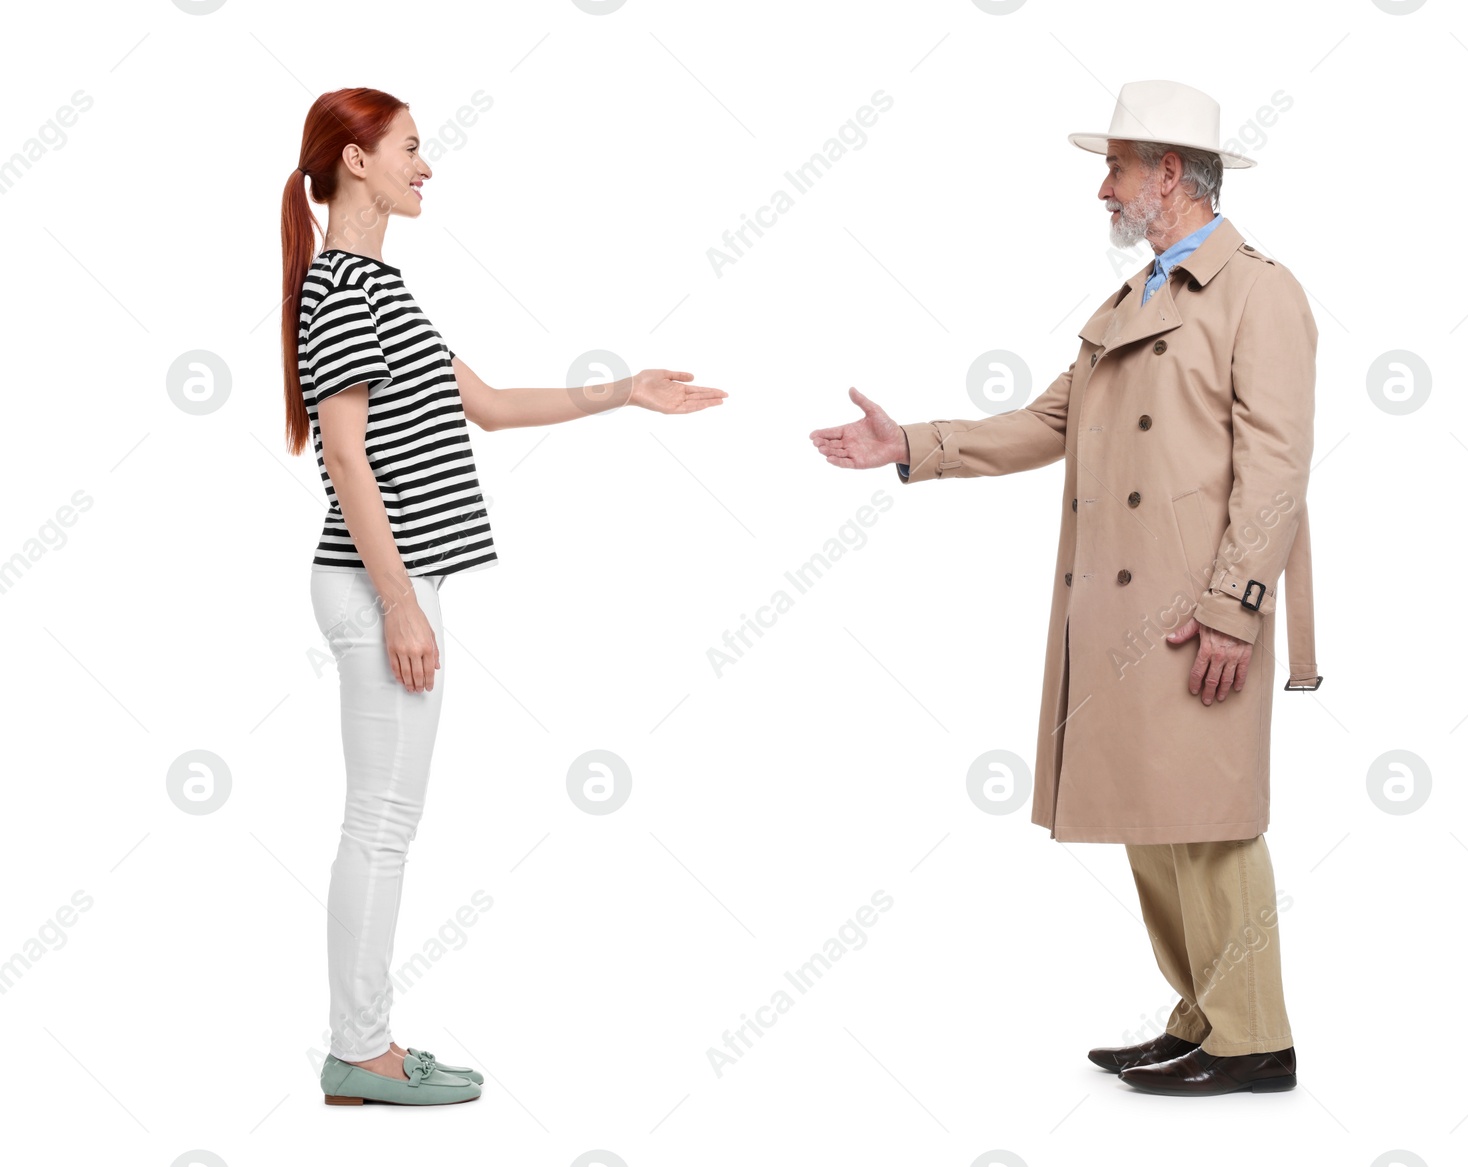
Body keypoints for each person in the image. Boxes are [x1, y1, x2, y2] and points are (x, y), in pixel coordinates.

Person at [809, 79, 1322, 1097]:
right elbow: (1048, 422)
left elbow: (1277, 467)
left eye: (1116, 168)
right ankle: (1204, 1015)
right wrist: (911, 443)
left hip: (1199, 612)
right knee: (1149, 815)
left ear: (1167, 175)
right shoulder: (1131, 298)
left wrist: (1234, 607)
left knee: (1210, 822)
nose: (1102, 189)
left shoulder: (1262, 293)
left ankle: (1255, 1039)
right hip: (1123, 618)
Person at [279, 86, 727, 1106]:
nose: (426, 167)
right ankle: (361, 1050)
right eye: (410, 148)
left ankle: (368, 1043)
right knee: (381, 823)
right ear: (357, 162)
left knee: (386, 818)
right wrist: (399, 605)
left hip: (394, 579)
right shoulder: (343, 287)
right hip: (375, 582)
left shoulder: (377, 286)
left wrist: (620, 392)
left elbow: (482, 404)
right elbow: (345, 456)